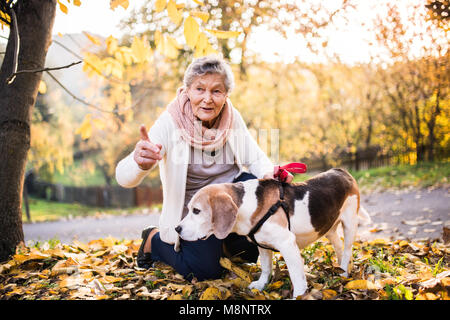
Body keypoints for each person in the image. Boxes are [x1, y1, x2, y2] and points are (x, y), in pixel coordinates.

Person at [115, 55, 293, 281]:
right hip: (194, 207)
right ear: (187, 90)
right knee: (205, 272)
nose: (208, 99)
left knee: (248, 253)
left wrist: (270, 173)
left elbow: (255, 158)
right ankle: (154, 240)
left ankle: (223, 243)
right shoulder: (171, 121)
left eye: (216, 91)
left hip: (228, 198)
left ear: (226, 94)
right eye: (200, 89)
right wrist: (139, 163)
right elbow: (123, 177)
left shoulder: (230, 116)